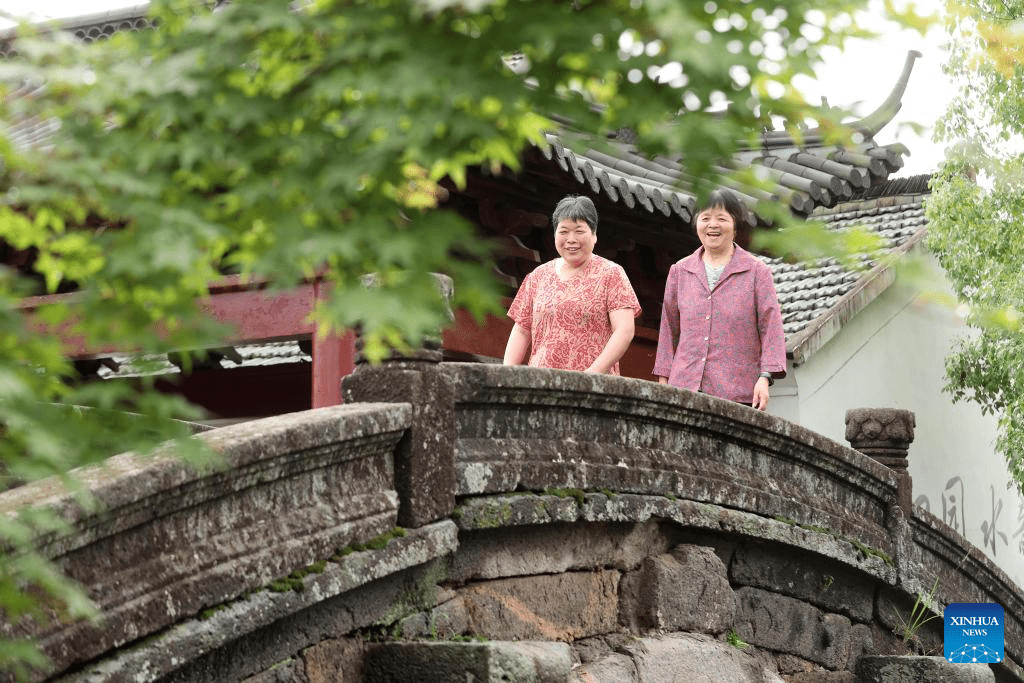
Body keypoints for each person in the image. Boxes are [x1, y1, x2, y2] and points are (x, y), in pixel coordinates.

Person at [653, 187, 786, 410]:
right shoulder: (679, 271)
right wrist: (664, 377)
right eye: (705, 218)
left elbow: (771, 326)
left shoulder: (756, 272)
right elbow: (669, 328)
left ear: (735, 225)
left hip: (737, 392)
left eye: (721, 218)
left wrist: (765, 377)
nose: (712, 225)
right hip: (685, 388)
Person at [503, 195, 641, 374]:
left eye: (579, 231)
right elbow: (522, 331)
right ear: (554, 235)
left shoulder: (611, 274)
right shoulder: (538, 276)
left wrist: (592, 373)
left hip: (593, 385)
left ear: (594, 235)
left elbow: (625, 330)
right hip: (542, 383)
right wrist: (507, 374)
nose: (571, 239)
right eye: (564, 231)